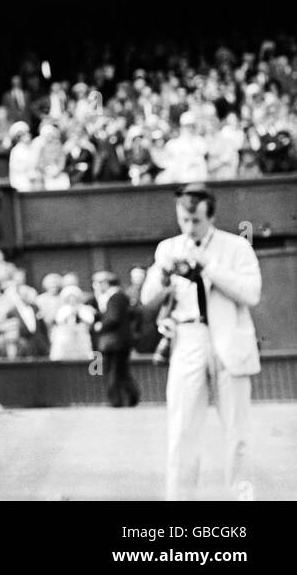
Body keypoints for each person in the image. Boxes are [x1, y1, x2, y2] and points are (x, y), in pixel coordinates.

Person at [141, 183, 261, 500]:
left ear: (211, 216)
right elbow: (147, 299)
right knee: (181, 430)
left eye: (196, 221)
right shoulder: (168, 248)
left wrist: (208, 265)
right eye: (184, 221)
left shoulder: (236, 247)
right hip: (188, 337)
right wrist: (164, 275)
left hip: (229, 339)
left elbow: (251, 293)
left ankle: (242, 498)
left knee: (238, 433)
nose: (190, 227)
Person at [90, 270, 139, 407]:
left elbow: (113, 318)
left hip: (115, 342)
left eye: (98, 283)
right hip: (120, 342)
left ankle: (116, 400)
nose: (96, 286)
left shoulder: (115, 297)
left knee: (113, 371)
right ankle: (131, 398)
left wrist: (100, 326)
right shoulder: (117, 296)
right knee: (122, 372)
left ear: (105, 283)